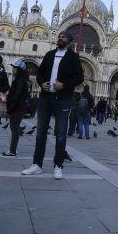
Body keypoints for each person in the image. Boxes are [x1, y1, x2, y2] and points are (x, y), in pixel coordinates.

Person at [21, 32, 84, 180]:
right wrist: (41, 82)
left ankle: (58, 166)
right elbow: (40, 73)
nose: (60, 38)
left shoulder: (73, 57)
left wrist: (64, 85)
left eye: (63, 37)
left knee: (61, 134)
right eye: (59, 37)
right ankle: (37, 165)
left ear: (69, 41)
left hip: (63, 98)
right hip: (45, 98)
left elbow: (79, 77)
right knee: (40, 132)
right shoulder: (49, 54)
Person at [1, 60, 32, 157]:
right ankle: (13, 149)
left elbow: (17, 95)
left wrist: (10, 108)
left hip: (18, 107)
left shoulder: (20, 81)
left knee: (14, 128)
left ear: (19, 69)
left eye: (15, 68)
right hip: (18, 106)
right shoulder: (20, 80)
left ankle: (12, 151)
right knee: (14, 128)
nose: (13, 69)